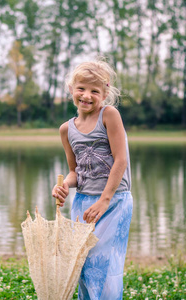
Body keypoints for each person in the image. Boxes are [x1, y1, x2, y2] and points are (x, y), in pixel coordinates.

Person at [52, 58, 133, 300]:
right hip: (84, 203)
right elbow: (76, 171)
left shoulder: (109, 115)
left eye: (94, 91)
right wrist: (65, 185)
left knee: (105, 266)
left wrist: (105, 200)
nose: (87, 95)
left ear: (105, 93)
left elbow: (120, 160)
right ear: (71, 89)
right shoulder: (66, 129)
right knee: (84, 265)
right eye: (81, 88)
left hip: (114, 201)